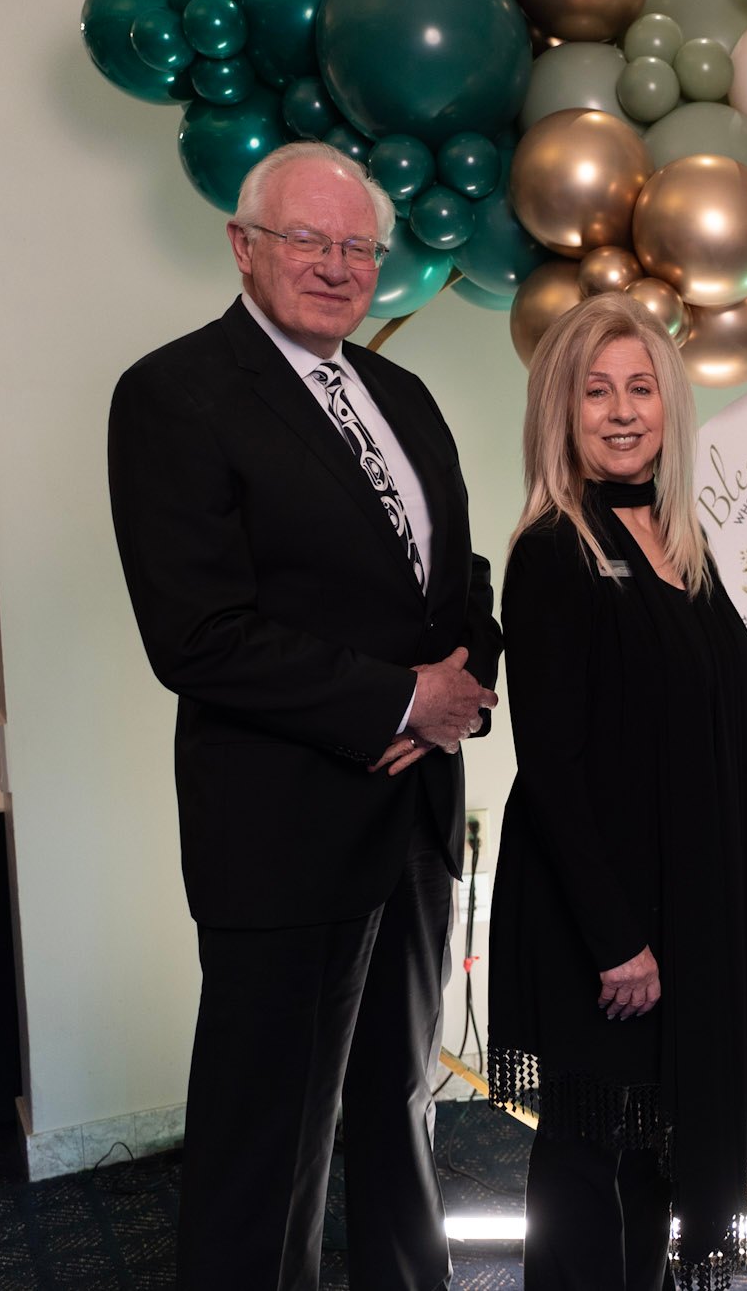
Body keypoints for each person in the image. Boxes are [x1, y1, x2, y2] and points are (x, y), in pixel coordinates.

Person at [107, 141, 502, 1291]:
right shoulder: (173, 395)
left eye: (357, 247)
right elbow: (197, 634)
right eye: (307, 240)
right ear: (244, 246)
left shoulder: (401, 395)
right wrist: (399, 699)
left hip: (414, 816)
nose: (336, 265)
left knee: (400, 1107)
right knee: (265, 1146)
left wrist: (454, 694)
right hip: (281, 831)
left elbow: (460, 583)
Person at [486, 294, 747, 1291]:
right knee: (586, 1153)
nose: (622, 411)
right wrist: (616, 937)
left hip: (686, 914)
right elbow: (553, 766)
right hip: (598, 923)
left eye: (641, 388)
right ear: (559, 411)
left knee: (657, 1146)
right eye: (595, 391)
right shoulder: (553, 551)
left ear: (670, 405)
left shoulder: (680, 540)